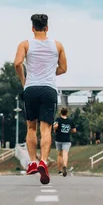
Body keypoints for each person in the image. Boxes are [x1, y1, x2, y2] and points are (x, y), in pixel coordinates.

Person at [14, 13, 67, 184]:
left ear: (32, 28)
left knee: (31, 127)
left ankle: (32, 163)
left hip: (31, 89)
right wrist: (51, 72)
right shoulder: (57, 46)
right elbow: (63, 68)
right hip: (49, 89)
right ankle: (43, 161)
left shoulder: (25, 44)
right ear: (47, 28)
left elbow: (17, 63)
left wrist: (24, 80)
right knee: (46, 129)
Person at [54, 108, 76, 177]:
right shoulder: (70, 120)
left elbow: (56, 125)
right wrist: (69, 130)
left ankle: (60, 170)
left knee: (59, 155)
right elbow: (74, 130)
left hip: (59, 139)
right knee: (65, 154)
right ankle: (65, 166)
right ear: (67, 113)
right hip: (67, 139)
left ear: (61, 113)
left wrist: (55, 129)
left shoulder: (58, 119)